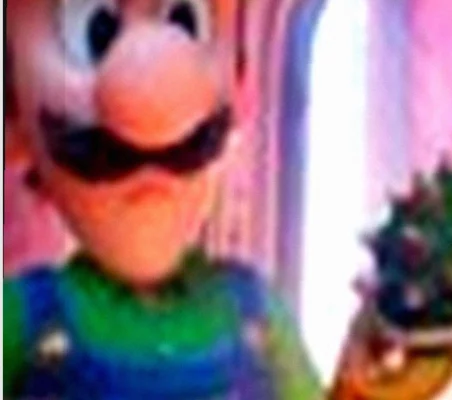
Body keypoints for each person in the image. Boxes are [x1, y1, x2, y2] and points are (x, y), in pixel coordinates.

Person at [4, 1, 323, 398]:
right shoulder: (19, 319)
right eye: (97, 31)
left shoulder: (260, 313)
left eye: (187, 22)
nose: (153, 95)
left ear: (240, 87)